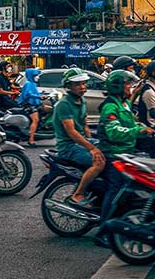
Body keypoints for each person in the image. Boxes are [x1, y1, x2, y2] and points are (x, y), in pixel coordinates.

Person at [96, 70, 155, 230]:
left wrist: (145, 127)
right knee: (116, 189)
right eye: (127, 84)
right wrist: (138, 131)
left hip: (127, 151)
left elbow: (130, 125)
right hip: (113, 153)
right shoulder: (109, 106)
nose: (130, 87)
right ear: (117, 87)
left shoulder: (125, 103)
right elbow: (114, 132)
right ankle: (104, 229)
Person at [53, 68, 104, 206]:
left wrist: (92, 142)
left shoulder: (82, 101)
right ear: (68, 86)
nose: (82, 87)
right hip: (68, 147)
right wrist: (92, 148)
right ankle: (78, 193)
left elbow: (85, 126)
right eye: (78, 84)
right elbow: (72, 133)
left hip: (81, 143)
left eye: (84, 83)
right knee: (99, 163)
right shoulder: (63, 104)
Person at [19, 68, 50, 148]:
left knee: (49, 109)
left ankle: (43, 127)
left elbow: (35, 92)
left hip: (34, 104)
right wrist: (39, 97)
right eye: (36, 75)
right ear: (31, 76)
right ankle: (31, 140)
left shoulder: (33, 84)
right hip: (28, 105)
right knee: (35, 120)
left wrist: (42, 94)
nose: (38, 77)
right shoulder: (28, 83)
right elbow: (28, 94)